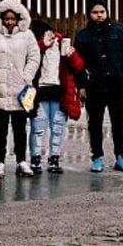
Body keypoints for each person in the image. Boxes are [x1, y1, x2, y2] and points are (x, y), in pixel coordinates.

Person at [74, 0, 123, 172]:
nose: (99, 16)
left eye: (102, 12)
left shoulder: (120, 31)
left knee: (119, 123)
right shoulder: (82, 36)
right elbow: (77, 63)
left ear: (107, 12)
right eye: (95, 12)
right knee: (94, 123)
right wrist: (81, 84)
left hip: (116, 85)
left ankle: (121, 156)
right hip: (93, 87)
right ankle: (97, 157)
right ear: (89, 14)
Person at [0, 0, 40, 177]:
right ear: (0, 19)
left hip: (21, 89)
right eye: (6, 18)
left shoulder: (28, 35)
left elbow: (34, 57)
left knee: (20, 127)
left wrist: (26, 76)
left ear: (19, 18)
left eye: (12, 18)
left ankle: (21, 161)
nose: (9, 22)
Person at [28, 19, 85, 174]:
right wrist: (41, 46)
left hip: (60, 92)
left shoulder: (62, 43)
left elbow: (79, 66)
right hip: (40, 92)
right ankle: (35, 159)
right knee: (38, 127)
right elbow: (28, 61)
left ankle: (54, 158)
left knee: (57, 127)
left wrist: (70, 54)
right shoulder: (35, 46)